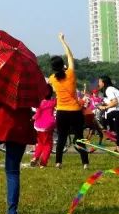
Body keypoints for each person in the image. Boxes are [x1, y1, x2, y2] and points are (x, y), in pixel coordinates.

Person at [49, 33, 88, 168]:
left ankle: (58, 162)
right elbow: (70, 56)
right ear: (63, 65)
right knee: (79, 138)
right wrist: (62, 41)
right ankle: (85, 163)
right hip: (75, 111)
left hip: (61, 112)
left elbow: (53, 90)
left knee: (61, 138)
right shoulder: (70, 74)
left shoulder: (52, 78)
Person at [98, 75, 119, 153]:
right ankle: (113, 130)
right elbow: (114, 101)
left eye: (99, 82)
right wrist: (106, 105)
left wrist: (105, 107)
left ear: (103, 83)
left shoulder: (108, 90)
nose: (98, 83)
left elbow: (115, 102)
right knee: (109, 115)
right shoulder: (112, 88)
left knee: (118, 129)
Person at [29, 85, 56, 168]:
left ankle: (35, 158)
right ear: (51, 94)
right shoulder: (54, 102)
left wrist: (32, 119)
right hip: (48, 126)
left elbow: (37, 115)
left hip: (38, 126)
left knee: (40, 143)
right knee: (48, 145)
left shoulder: (40, 103)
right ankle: (43, 163)